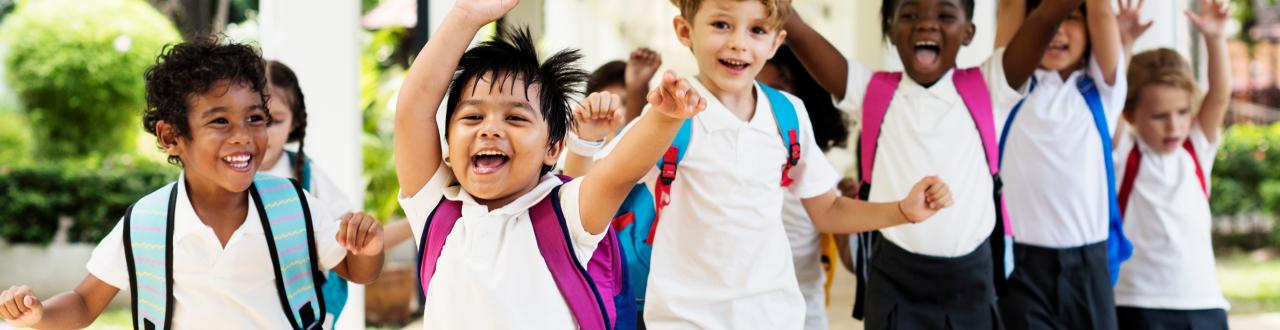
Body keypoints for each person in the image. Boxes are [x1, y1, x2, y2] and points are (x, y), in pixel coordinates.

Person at [581, 0, 955, 328]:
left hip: (774, 316)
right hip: (686, 320)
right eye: (721, 24)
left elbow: (827, 210)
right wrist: (587, 139)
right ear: (685, 30)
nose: (738, 42)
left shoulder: (787, 115)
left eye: (757, 29)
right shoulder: (669, 111)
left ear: (776, 41)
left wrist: (903, 211)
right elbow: (589, 189)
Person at [0, 38, 384, 329]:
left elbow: (357, 271)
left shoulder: (291, 204)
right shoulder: (147, 222)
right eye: (220, 122)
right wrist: (38, 315)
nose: (243, 136)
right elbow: (84, 303)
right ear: (171, 137)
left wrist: (367, 248)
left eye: (255, 118)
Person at [390, 0, 707, 328]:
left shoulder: (565, 212)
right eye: (473, 116)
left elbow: (619, 172)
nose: (490, 128)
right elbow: (413, 111)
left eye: (515, 117)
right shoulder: (437, 211)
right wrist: (465, 16)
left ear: (553, 148)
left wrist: (664, 117)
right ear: (447, 152)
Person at [785, 0, 1081, 327]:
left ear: (968, 33)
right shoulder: (870, 89)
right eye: (910, 15)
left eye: (945, 15)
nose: (926, 24)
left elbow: (1045, 17)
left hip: (971, 278)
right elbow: (797, 32)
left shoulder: (990, 84)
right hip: (894, 277)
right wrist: (781, 13)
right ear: (890, 30)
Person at [993, 0, 1127, 328]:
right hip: (1020, 267)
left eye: (1071, 18)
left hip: (1089, 265)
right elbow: (1011, 7)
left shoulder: (1101, 92)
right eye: (1044, 19)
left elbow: (1102, 12)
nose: (1056, 29)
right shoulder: (1008, 89)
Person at [1113, 1, 1233, 328]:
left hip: (1204, 303)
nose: (1175, 126)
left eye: (1182, 112)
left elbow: (1219, 95)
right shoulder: (1125, 155)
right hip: (1138, 304)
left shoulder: (1194, 150)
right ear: (1129, 114)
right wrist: (1124, 44)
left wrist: (1215, 38)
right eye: (1159, 116)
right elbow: (1111, 98)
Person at [259, 59, 358, 326]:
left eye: (275, 120)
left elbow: (350, 235)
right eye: (254, 118)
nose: (264, 132)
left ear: (293, 123)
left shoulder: (307, 177)